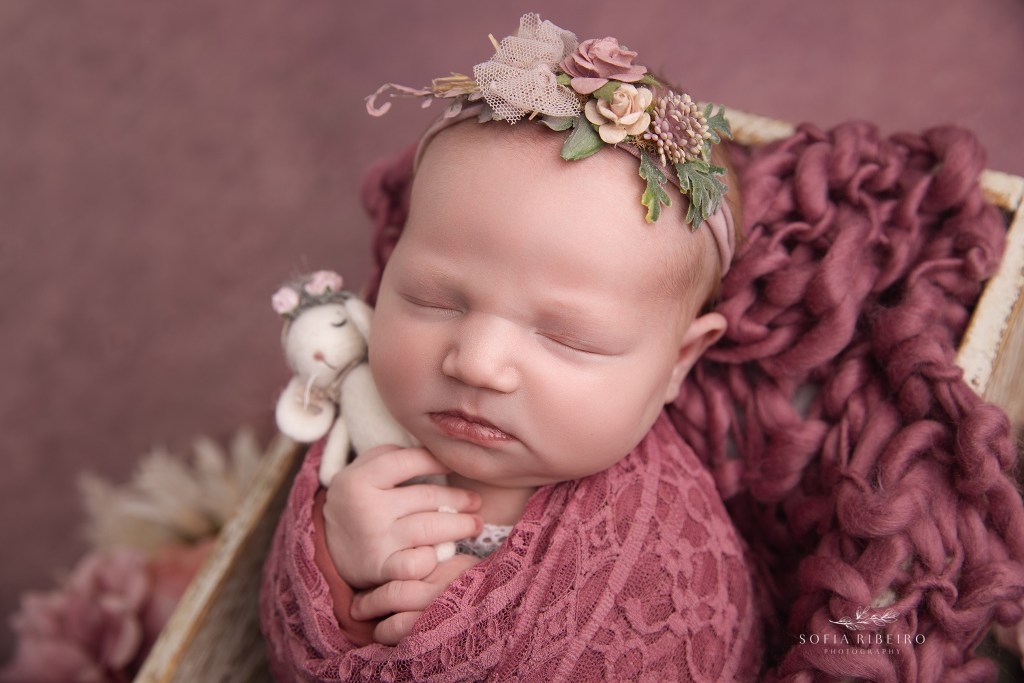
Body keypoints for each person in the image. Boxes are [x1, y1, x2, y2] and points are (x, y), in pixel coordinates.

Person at [261, 13, 763, 681]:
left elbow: (692, 648)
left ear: (678, 362)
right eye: (435, 299)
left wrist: (478, 631)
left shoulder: (664, 543)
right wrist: (336, 558)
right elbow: (276, 641)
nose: (475, 362)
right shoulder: (357, 443)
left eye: (565, 335)